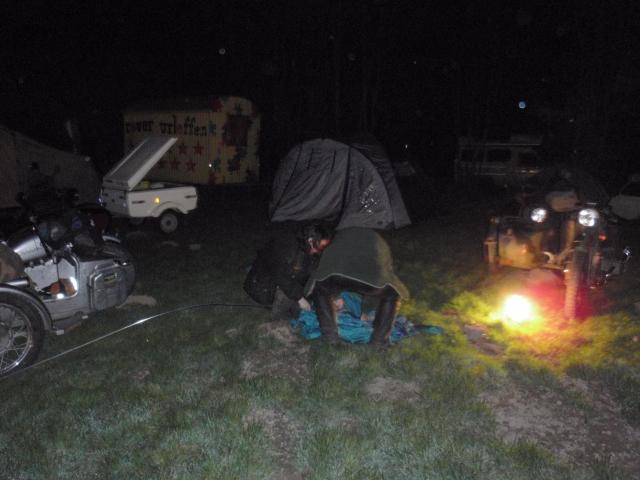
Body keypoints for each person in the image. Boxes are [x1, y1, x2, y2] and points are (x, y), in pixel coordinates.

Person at [305, 227, 409, 347]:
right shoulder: (378, 242)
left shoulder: (339, 238)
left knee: (321, 287)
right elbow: (380, 277)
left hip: (338, 277)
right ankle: (379, 342)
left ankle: (330, 338)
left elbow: (325, 270)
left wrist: (335, 295)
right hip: (367, 282)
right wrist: (366, 310)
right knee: (391, 294)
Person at [243, 222, 333, 321]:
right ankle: (277, 317)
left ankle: (289, 304)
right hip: (262, 286)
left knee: (301, 308)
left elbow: (312, 274)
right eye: (320, 245)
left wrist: (330, 297)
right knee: (292, 305)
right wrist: (300, 298)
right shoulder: (287, 246)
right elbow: (280, 276)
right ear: (310, 240)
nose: (320, 249)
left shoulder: (308, 249)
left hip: (284, 282)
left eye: (324, 245)